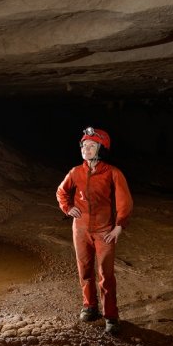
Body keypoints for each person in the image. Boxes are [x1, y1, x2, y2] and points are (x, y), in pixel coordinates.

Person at [56, 127, 133, 335]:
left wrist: (119, 226)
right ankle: (89, 306)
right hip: (80, 230)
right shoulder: (75, 172)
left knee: (106, 275)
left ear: (101, 149)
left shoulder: (113, 173)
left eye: (92, 146)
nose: (86, 149)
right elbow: (61, 191)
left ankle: (111, 316)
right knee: (84, 270)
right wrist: (67, 207)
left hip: (104, 231)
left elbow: (124, 201)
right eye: (84, 145)